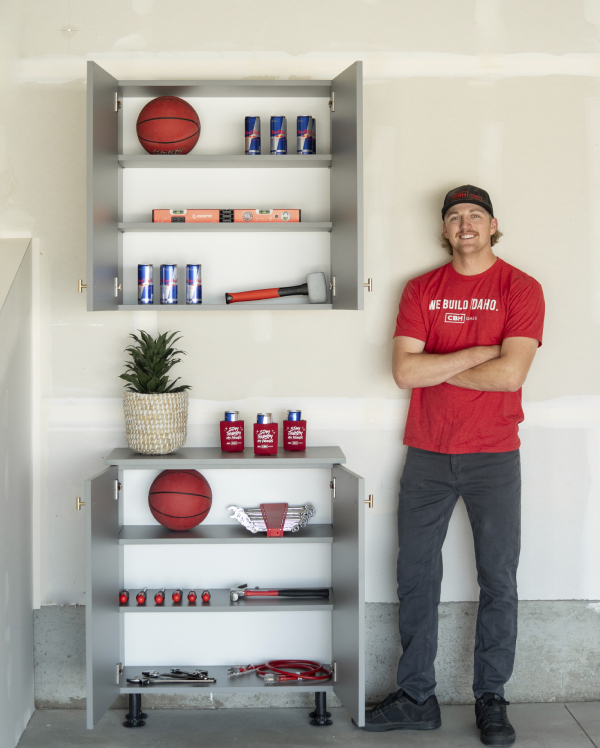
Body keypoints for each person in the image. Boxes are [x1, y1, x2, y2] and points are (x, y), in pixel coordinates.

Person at [356, 185, 545, 747]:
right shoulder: (422, 289)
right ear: (444, 230)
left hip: (494, 454)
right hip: (428, 454)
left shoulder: (520, 287)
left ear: (493, 226)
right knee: (415, 576)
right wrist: (480, 352)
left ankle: (492, 698)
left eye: (476, 216)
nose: (466, 224)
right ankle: (416, 697)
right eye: (455, 216)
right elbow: (403, 374)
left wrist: (434, 366)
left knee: (498, 579)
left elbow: (511, 376)